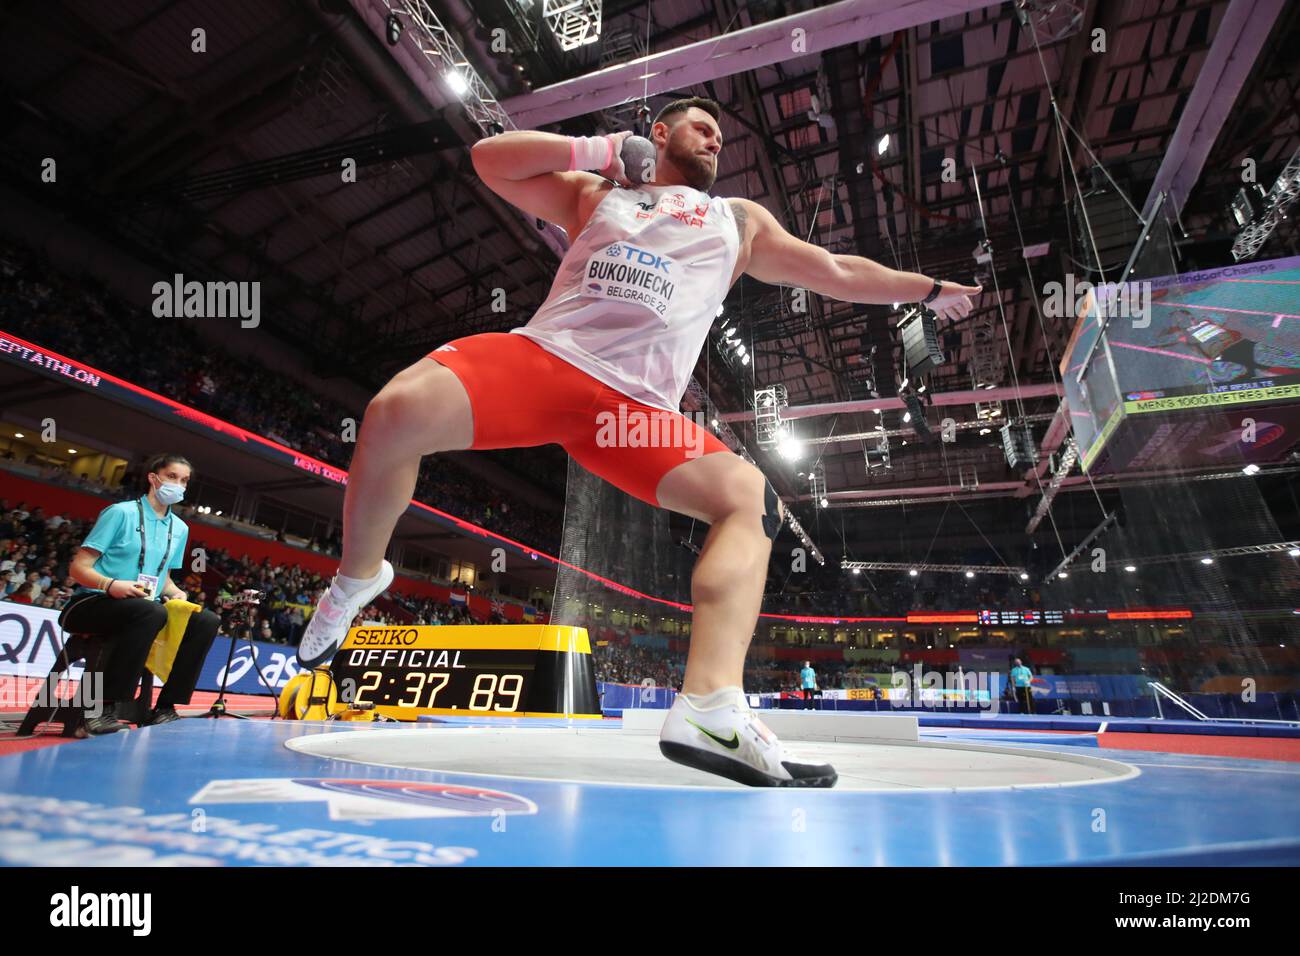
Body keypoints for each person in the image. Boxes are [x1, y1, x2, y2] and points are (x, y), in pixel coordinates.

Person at [297, 96, 979, 788]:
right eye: (701, 126)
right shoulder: (603, 192)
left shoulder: (739, 222)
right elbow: (488, 162)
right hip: (546, 362)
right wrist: (596, 149)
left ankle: (711, 707)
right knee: (392, 412)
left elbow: (834, 271)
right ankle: (358, 578)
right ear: (658, 133)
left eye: (722, 134)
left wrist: (926, 289)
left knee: (749, 499)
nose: (715, 139)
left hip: (629, 414)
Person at [61, 453, 222, 734]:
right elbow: (78, 567)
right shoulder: (121, 513)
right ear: (153, 477)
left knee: (205, 620)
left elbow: (165, 579)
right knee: (151, 611)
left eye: (184, 481)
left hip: (142, 609)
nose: (179, 485)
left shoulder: (180, 528)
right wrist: (111, 585)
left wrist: (177, 593)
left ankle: (165, 708)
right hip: (92, 602)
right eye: (172, 477)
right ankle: (101, 709)